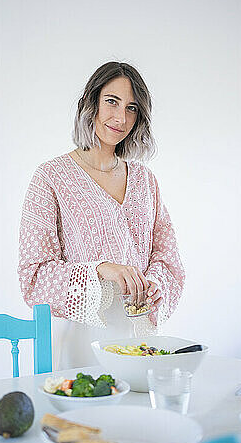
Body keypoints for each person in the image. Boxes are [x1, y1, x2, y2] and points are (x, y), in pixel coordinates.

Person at [17, 61, 185, 370]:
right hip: (81, 347)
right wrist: (100, 270)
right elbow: (34, 278)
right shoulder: (51, 177)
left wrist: (157, 282)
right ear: (90, 102)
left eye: (132, 108)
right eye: (112, 101)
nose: (121, 118)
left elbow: (168, 257)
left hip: (142, 342)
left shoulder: (145, 180)